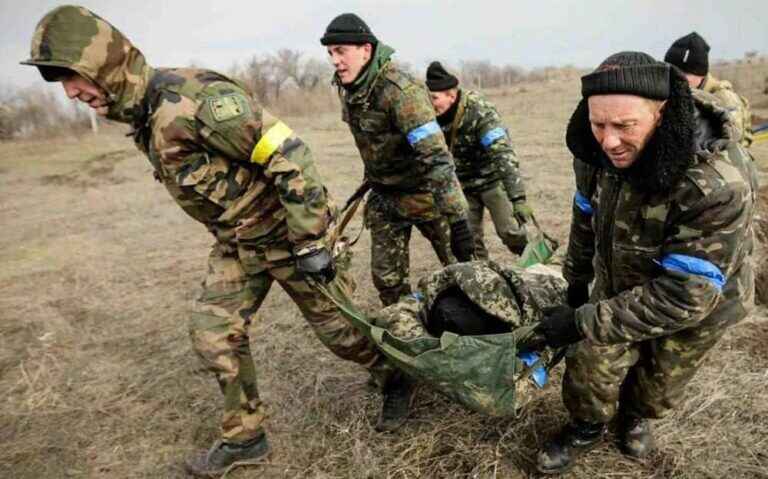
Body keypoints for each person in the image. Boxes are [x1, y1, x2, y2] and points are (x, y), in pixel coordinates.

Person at [22, 6, 401, 476]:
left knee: (342, 334)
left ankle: (394, 376)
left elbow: (291, 155)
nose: (70, 93)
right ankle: (245, 437)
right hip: (238, 244)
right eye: (60, 83)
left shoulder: (195, 100)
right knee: (213, 332)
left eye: (73, 77)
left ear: (104, 64)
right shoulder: (145, 113)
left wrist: (309, 243)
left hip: (286, 235)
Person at [534, 51, 757, 474]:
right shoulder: (593, 151)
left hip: (698, 303)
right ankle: (587, 426)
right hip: (624, 278)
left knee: (658, 386)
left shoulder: (716, 183)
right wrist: (576, 282)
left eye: (624, 125)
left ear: (663, 113)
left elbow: (683, 298)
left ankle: (634, 418)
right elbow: (586, 215)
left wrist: (581, 320)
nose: (609, 140)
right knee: (589, 366)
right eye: (599, 123)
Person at [320, 13, 475, 311]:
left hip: (426, 197)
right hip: (385, 198)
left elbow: (436, 158)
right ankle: (407, 333)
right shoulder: (348, 87)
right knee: (387, 281)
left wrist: (458, 220)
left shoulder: (401, 92)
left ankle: (485, 333)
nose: (334, 60)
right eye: (330, 53)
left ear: (366, 50)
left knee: (466, 270)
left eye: (341, 51)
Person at [425, 61, 531, 259]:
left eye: (434, 98)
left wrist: (518, 198)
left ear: (451, 94)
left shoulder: (479, 111)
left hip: (491, 180)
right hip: (461, 185)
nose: (430, 104)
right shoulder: (427, 116)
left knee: (511, 232)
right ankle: (481, 280)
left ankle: (539, 267)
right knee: (469, 242)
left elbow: (502, 153)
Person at [665, 32, 753, 147]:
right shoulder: (678, 93)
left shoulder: (723, 98)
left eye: (685, 73)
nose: (677, 78)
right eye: (673, 72)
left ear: (701, 74)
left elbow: (733, 143)